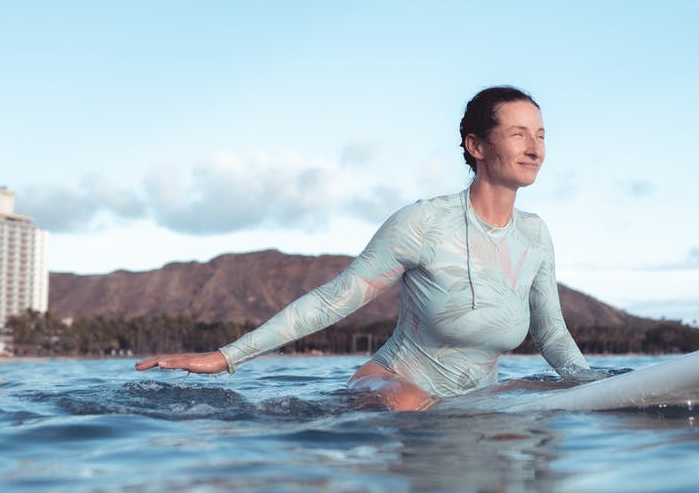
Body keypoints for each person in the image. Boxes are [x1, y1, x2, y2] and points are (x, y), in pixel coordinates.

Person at [134, 86, 598, 410]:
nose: (534, 148)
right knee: (412, 404)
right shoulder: (423, 224)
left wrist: (595, 386)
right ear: (475, 145)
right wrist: (227, 357)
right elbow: (334, 299)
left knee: (537, 403)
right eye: (518, 133)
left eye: (540, 135)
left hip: (474, 401)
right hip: (396, 388)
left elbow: (553, 336)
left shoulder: (535, 235)